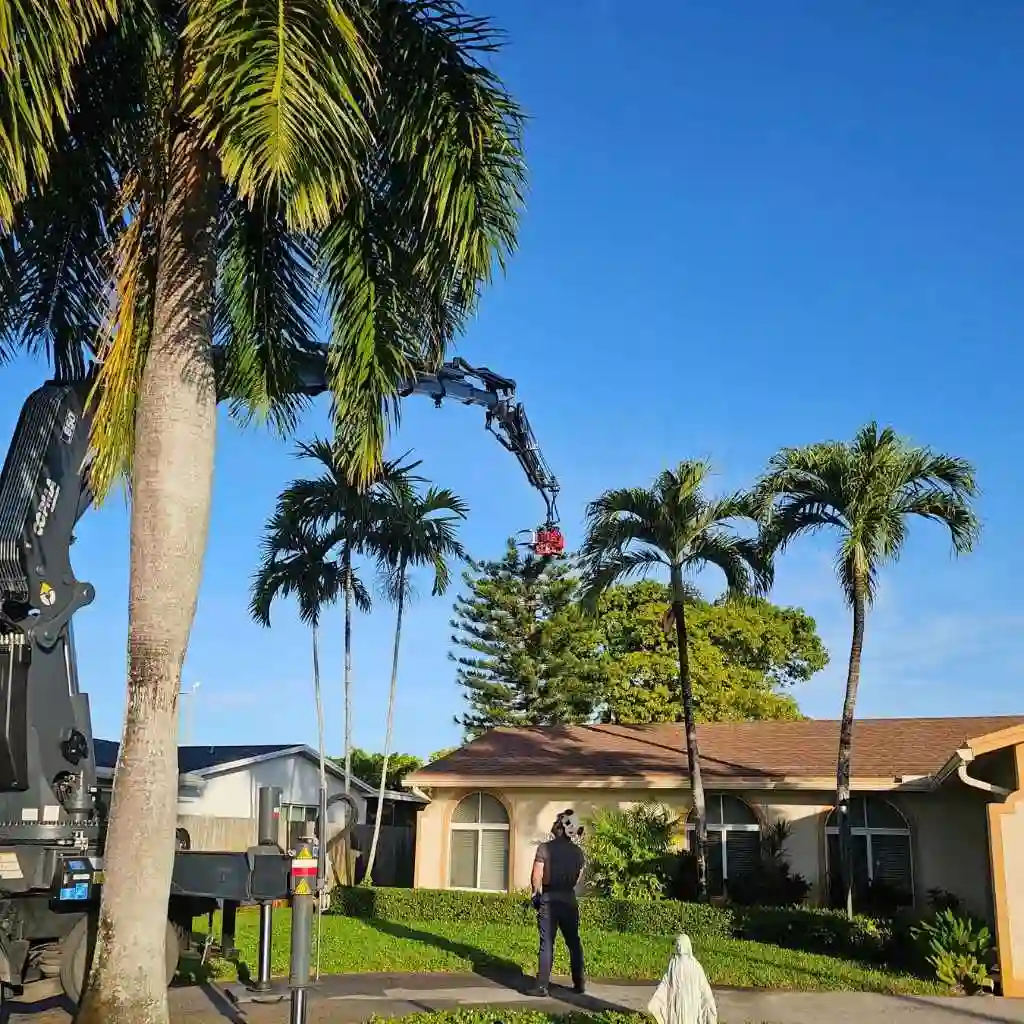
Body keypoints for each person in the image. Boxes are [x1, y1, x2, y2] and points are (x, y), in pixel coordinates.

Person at [528, 809, 586, 997]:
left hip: (549, 899)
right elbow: (577, 879)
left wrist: (535, 894)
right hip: (569, 899)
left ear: (561, 826)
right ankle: (579, 983)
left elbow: (536, 875)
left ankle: (541, 987)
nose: (553, 825)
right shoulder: (578, 853)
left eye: (556, 822)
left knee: (547, 943)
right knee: (574, 942)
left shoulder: (544, 848)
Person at [647, 934, 717, 1024]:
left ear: (687, 946)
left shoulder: (695, 965)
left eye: (681, 945)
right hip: (676, 1001)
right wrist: (657, 998)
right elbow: (666, 982)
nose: (679, 947)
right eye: (678, 944)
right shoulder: (673, 963)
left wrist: (709, 1002)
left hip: (691, 1003)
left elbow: (703, 986)